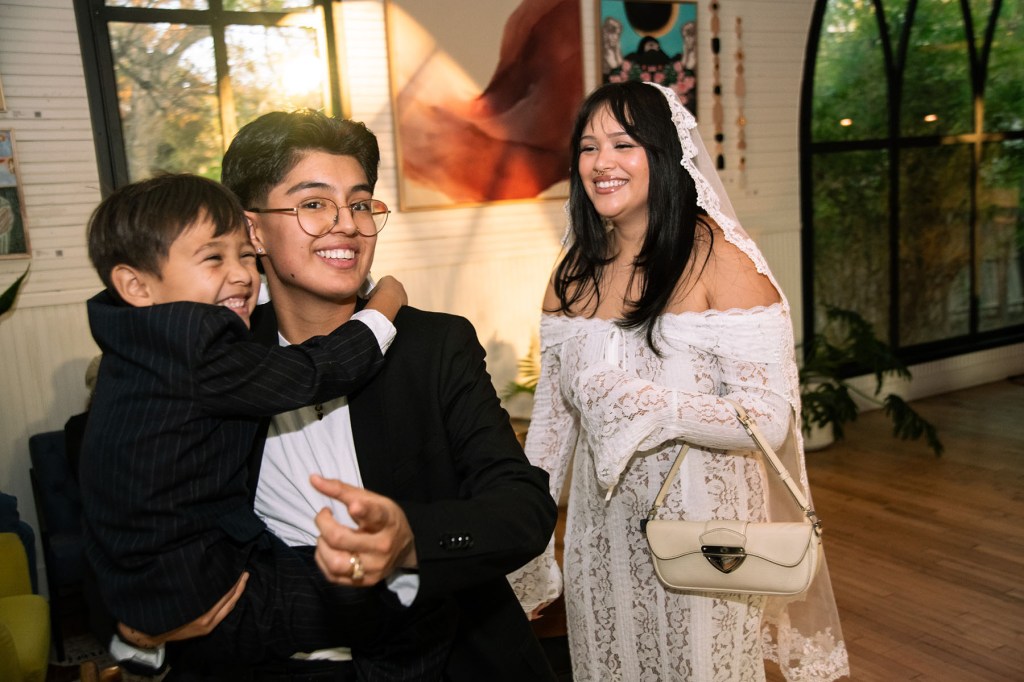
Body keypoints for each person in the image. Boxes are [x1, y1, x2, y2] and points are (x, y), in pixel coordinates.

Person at [507, 81, 850, 681]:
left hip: (708, 534)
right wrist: (528, 542)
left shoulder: (722, 261)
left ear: (663, 154)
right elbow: (553, 428)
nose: (601, 163)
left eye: (623, 144)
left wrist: (652, 406)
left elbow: (770, 417)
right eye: (588, 148)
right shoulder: (572, 272)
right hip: (601, 536)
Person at [219, 110, 559, 681]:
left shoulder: (431, 346)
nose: (346, 225)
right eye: (312, 203)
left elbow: (524, 507)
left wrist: (409, 540)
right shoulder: (224, 359)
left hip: (443, 654)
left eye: (358, 203)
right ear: (253, 231)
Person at [79, 173, 452, 680]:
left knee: (329, 579)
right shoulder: (193, 344)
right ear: (136, 285)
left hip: (152, 574)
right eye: (214, 258)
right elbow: (312, 372)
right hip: (205, 581)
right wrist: (384, 304)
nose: (241, 275)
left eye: (247, 256)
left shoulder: (137, 340)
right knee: (379, 610)